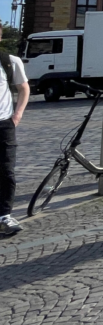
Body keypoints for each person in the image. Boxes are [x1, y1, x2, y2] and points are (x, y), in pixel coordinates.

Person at [0, 27, 30, 237]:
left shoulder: (10, 61)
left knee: (6, 172)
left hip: (3, 124)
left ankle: (4, 216)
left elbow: (24, 87)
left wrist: (17, 114)